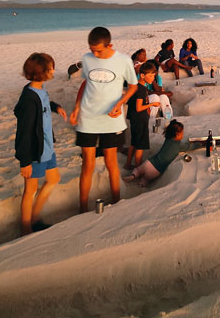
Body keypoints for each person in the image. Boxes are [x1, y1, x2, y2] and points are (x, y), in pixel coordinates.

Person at [70, 27, 138, 212]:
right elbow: (85, 84)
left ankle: (116, 202)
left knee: (111, 163)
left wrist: (121, 103)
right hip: (88, 119)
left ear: (110, 45)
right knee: (87, 165)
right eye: (92, 50)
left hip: (111, 120)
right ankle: (82, 208)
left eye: (98, 50)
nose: (94, 53)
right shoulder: (87, 59)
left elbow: (133, 86)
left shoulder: (124, 61)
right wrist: (77, 108)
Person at [14, 53, 67, 235]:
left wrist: (55, 107)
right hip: (35, 152)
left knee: (54, 179)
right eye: (51, 68)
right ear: (40, 72)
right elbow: (23, 132)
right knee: (30, 190)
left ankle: (35, 217)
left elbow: (44, 104)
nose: (53, 70)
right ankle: (26, 229)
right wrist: (25, 161)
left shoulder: (40, 89)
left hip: (47, 147)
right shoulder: (29, 98)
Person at [123, 119, 185, 187]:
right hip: (156, 170)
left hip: (149, 162)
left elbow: (169, 129)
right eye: (182, 133)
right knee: (146, 179)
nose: (183, 134)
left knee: (139, 170)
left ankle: (133, 176)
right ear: (177, 135)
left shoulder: (168, 138)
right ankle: (141, 184)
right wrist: (197, 144)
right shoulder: (179, 145)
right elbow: (189, 147)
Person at [124, 63, 161, 170]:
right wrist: (152, 104)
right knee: (140, 145)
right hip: (140, 119)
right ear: (142, 75)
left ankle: (127, 164)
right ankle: (138, 169)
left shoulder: (136, 86)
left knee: (134, 143)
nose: (152, 78)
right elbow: (139, 107)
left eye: (153, 76)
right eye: (150, 76)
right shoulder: (141, 89)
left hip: (134, 119)